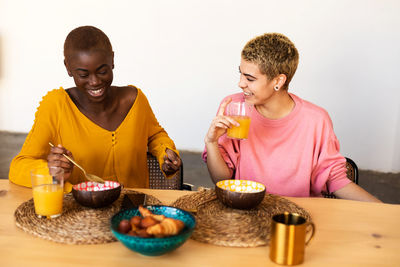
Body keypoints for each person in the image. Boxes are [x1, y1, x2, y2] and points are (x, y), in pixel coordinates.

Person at [203, 33, 380, 202]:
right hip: (247, 209)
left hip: (295, 216)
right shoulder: (234, 106)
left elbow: (336, 180)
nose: (240, 83)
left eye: (250, 78)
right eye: (240, 73)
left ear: (278, 81)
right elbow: (221, 180)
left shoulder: (316, 120)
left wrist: (387, 212)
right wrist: (211, 143)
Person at [9, 26, 181, 188]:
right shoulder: (56, 106)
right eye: (83, 74)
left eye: (102, 71)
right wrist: (51, 173)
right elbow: (19, 166)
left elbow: (155, 135)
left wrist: (165, 153)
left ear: (112, 60)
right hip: (78, 213)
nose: (95, 82)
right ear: (68, 68)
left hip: (133, 213)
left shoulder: (135, 100)